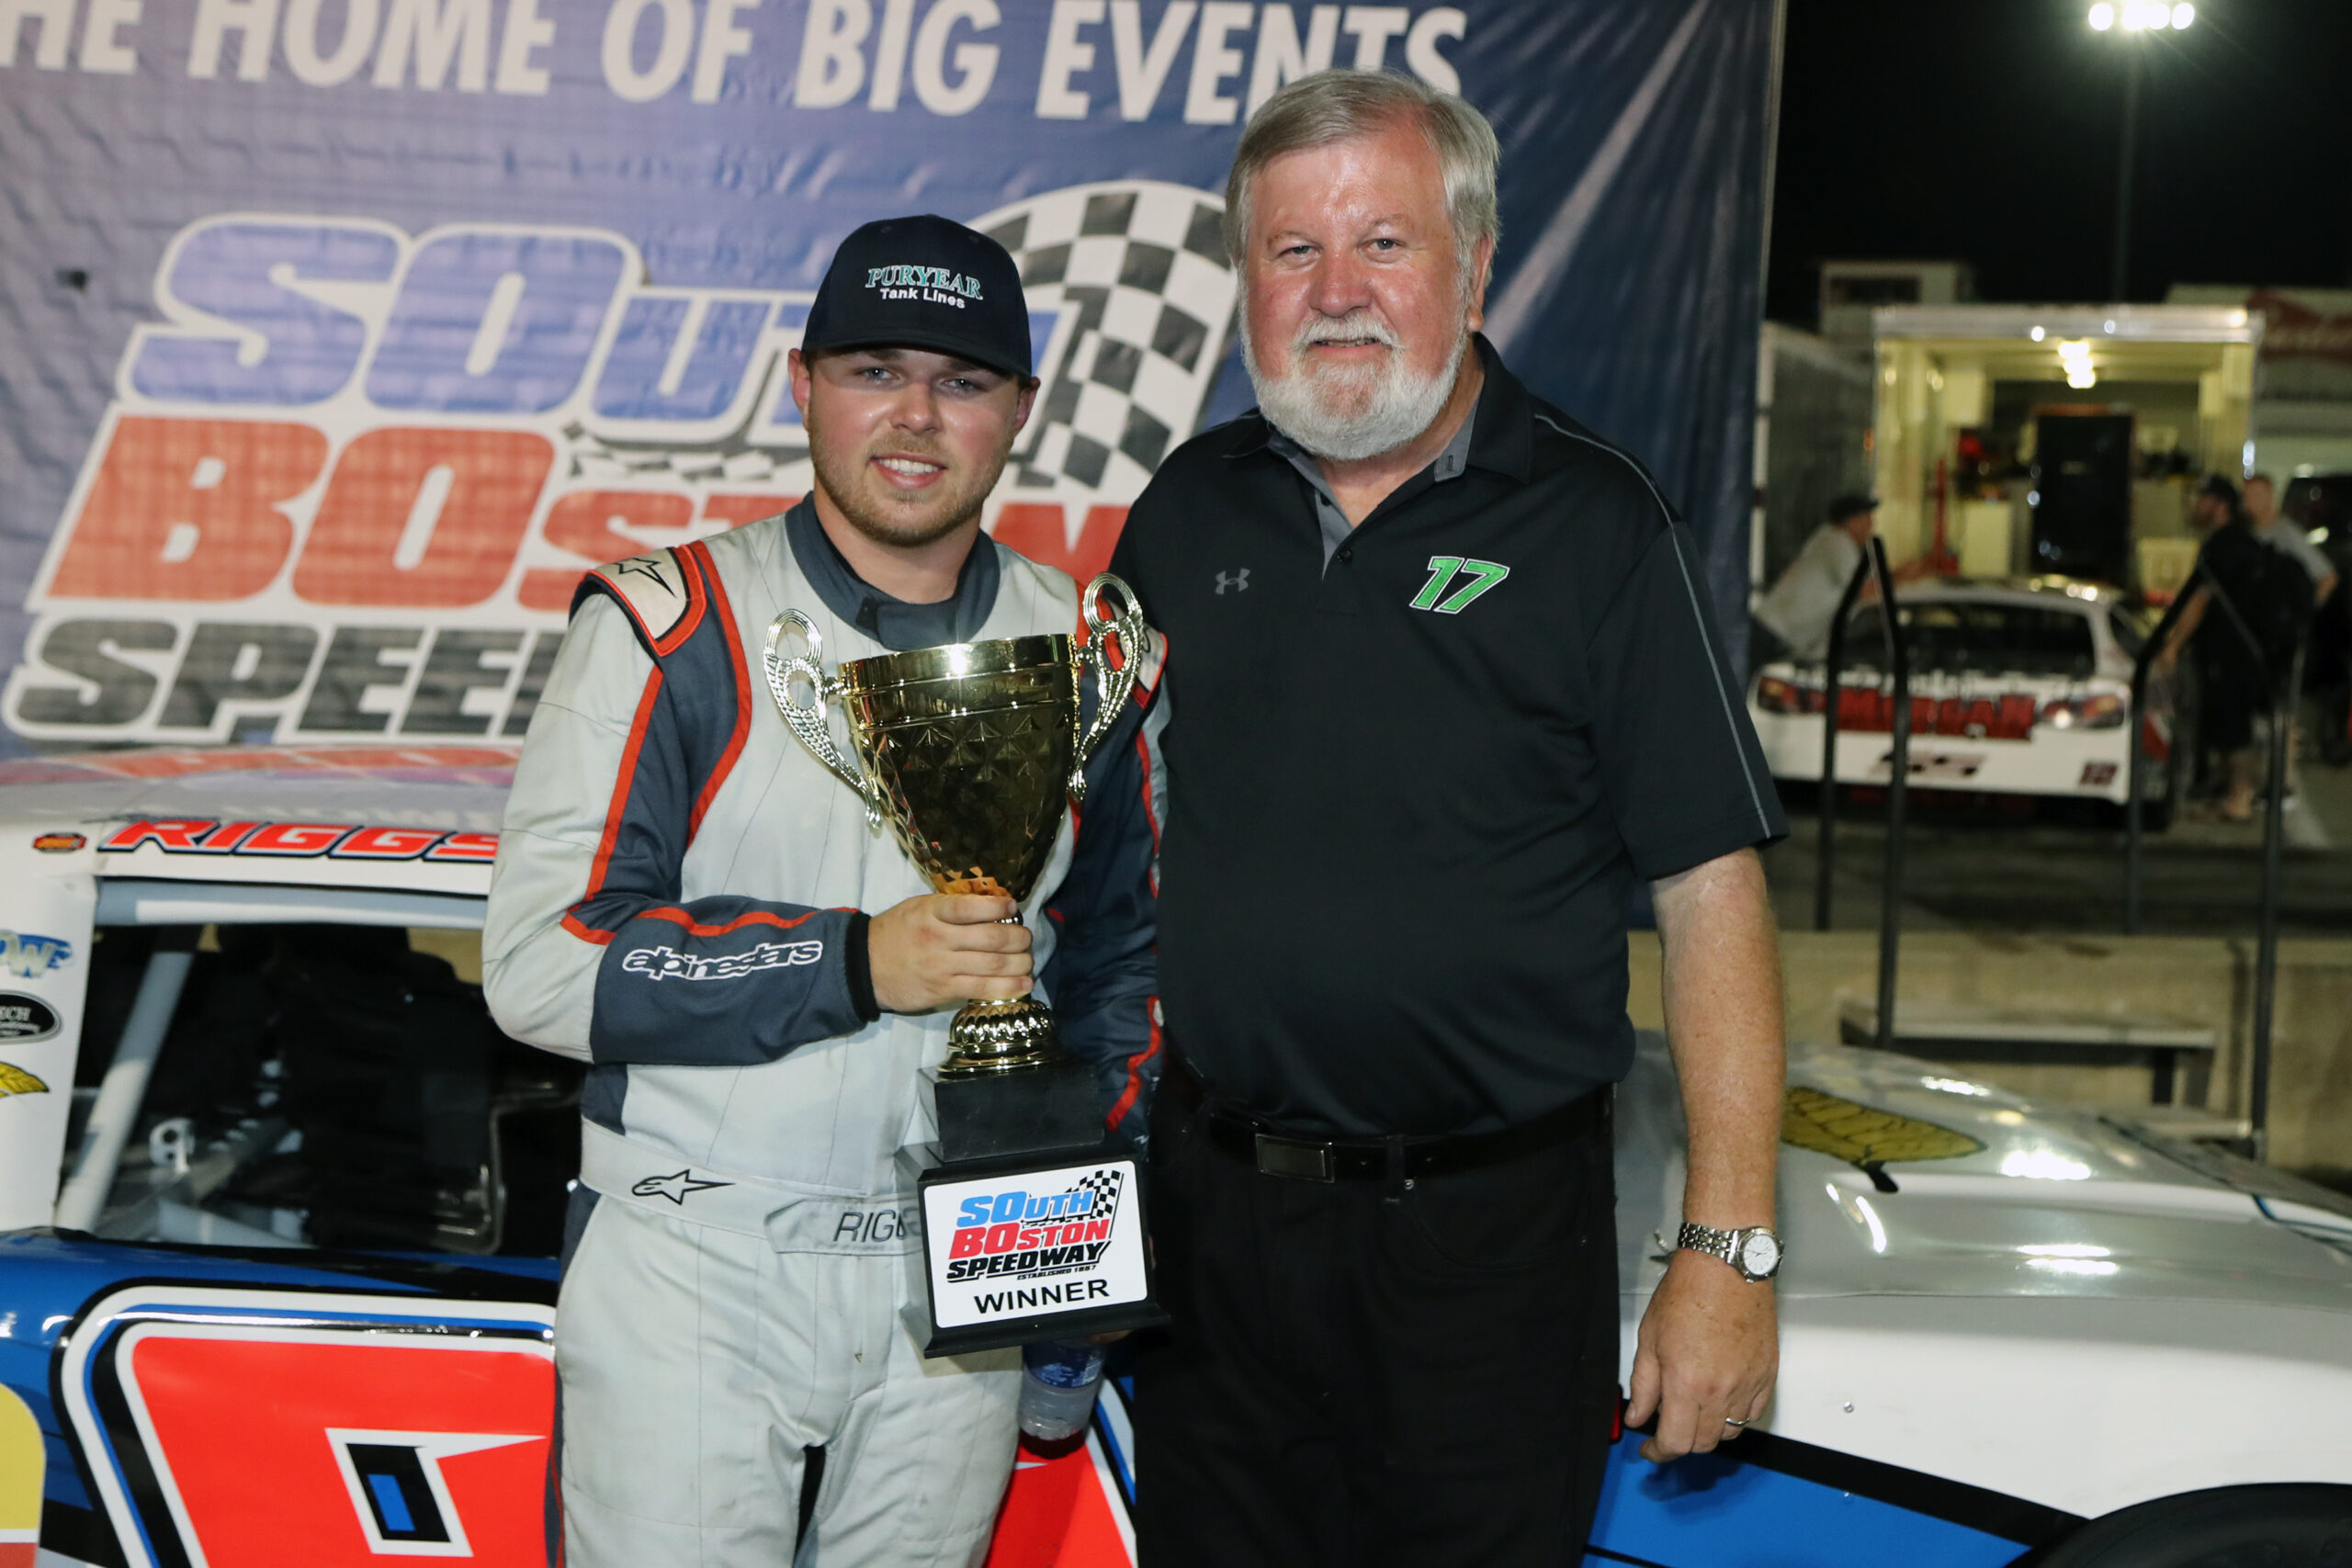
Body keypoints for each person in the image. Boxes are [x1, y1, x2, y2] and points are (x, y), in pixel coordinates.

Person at [1108, 70, 1789, 1568]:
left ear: (1475, 266)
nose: (1336, 293)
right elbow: (1095, 866)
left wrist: (1728, 1248)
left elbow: (1711, 891)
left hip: (1490, 1252)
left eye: (1385, 245)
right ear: (1247, 284)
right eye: (1294, 253)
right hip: (1214, 1239)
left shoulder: (1599, 522)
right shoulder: (1185, 514)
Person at [481, 215, 1161, 1568]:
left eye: (964, 381)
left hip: (961, 1276)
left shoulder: (1090, 645)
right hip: (696, 1255)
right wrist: (854, 961)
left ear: (1021, 410)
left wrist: (1064, 1274)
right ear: (804, 383)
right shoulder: (669, 621)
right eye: (875, 369)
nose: (915, 415)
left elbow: (1124, 967)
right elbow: (543, 965)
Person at [2158, 475, 2298, 822]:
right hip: (2244, 652)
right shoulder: (2241, 543)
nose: (2195, 506)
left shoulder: (2224, 546)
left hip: (2233, 654)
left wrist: (2173, 644)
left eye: (2202, 499)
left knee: (2232, 729)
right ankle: (2230, 794)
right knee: (2227, 725)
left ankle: (2240, 798)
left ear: (2220, 505)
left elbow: (2200, 598)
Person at [1751, 492, 1932, 669]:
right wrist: (1902, 576)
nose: (1872, 525)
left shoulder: (1831, 539)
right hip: (1774, 631)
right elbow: (1862, 591)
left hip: (1782, 633)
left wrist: (1899, 575)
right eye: (1867, 519)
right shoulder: (1837, 542)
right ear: (1851, 521)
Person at [2246, 474, 2338, 609]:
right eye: (2247, 495)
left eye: (2256, 494)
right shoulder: (2249, 531)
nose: (2249, 500)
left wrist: (2303, 617)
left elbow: (2328, 577)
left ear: (2270, 496)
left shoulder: (2286, 532)